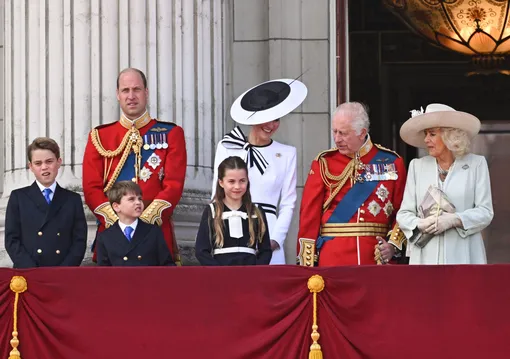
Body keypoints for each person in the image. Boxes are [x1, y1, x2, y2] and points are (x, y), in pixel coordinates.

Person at [82, 68, 186, 264]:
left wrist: (143, 221)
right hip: (113, 236)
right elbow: (91, 188)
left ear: (146, 93)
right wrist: (119, 221)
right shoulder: (100, 136)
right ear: (117, 95)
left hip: (155, 233)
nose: (131, 96)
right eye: (125, 90)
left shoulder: (171, 133)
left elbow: (173, 185)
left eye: (136, 89)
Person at [297, 102, 407, 266]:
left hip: (375, 257)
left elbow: (404, 210)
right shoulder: (324, 162)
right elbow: (309, 215)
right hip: (332, 257)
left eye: (343, 133)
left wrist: (392, 245)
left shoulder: (392, 162)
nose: (337, 139)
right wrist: (307, 264)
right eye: (334, 132)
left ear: (362, 133)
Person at [212, 78, 307, 264]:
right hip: (232, 226)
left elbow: (288, 202)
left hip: (269, 231)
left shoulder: (287, 153)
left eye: (276, 119)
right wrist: (219, 232)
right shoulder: (228, 146)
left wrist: (275, 239)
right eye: (267, 118)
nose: (271, 125)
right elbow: (216, 193)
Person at [397, 103, 493, 264]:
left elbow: (485, 212)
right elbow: (404, 214)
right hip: (425, 259)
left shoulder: (476, 164)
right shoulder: (417, 166)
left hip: (464, 256)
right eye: (426, 134)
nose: (426, 139)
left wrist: (455, 220)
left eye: (432, 134)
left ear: (450, 136)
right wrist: (420, 223)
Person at [4, 137, 87, 268]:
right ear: (30, 166)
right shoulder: (18, 197)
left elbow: (79, 241)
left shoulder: (73, 200)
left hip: (62, 274)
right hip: (29, 273)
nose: (44, 167)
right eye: (38, 163)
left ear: (59, 162)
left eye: (49, 161)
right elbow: (11, 240)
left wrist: (63, 271)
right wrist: (31, 270)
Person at [196, 156, 272, 266]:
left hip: (251, 275)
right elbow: (201, 251)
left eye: (242, 181)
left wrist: (256, 271)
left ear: (247, 181)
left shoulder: (256, 212)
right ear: (221, 182)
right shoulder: (212, 211)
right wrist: (219, 273)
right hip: (221, 275)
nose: (237, 186)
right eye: (231, 181)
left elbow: (265, 250)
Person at [96, 181, 175, 266]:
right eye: (131, 199)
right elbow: (103, 273)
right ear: (116, 206)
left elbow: (167, 266)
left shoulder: (153, 232)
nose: (138, 202)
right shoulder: (105, 237)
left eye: (140, 198)